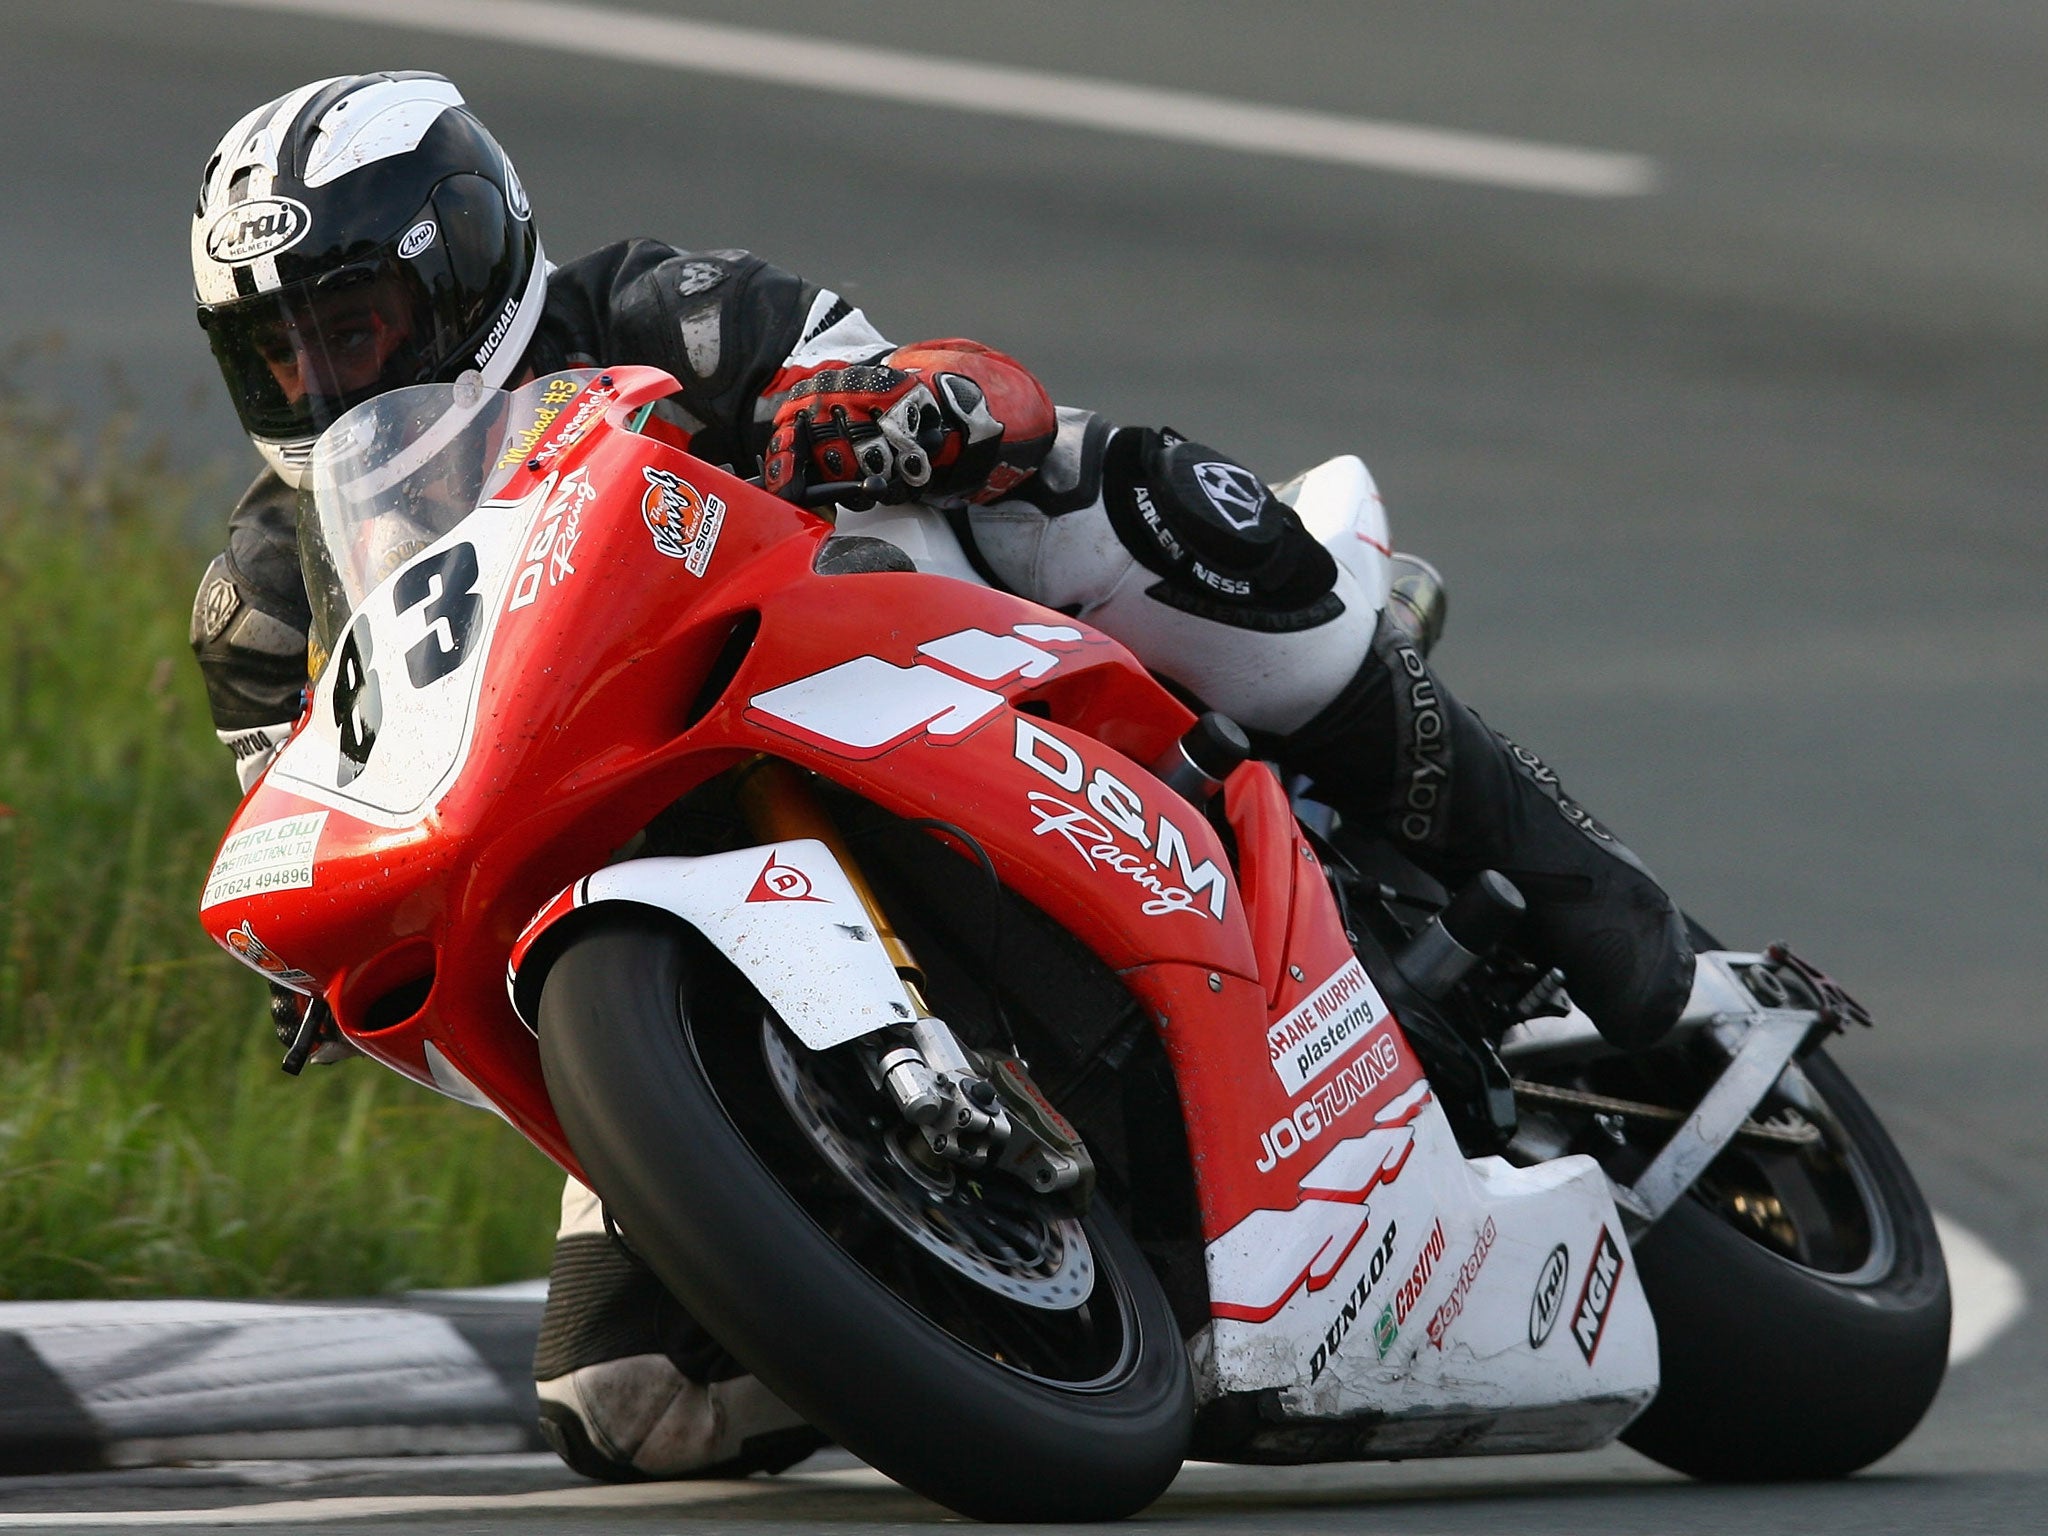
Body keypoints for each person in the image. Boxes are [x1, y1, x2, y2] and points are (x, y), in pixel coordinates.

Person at [187, 73, 1693, 1480]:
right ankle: (976, 1299)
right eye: (282, 347)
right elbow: (320, 805)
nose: (322, 373)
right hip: (632, 886)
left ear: (455, 273)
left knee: (1113, 498)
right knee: (624, 1404)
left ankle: (1572, 869)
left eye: (355, 321)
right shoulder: (267, 601)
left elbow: (906, 380)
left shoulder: (663, 312)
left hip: (911, 670)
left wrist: (906, 404)